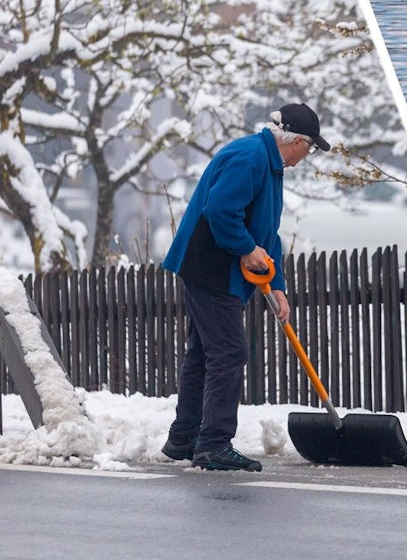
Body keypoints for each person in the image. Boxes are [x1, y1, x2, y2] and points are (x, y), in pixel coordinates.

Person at [160, 103, 330, 471]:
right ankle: (213, 444)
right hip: (211, 267)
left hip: (215, 268)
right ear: (297, 141)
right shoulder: (249, 158)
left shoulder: (268, 164)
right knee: (229, 352)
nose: (310, 154)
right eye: (312, 147)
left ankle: (183, 438)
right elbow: (221, 211)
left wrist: (278, 284)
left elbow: (267, 232)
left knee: (204, 354)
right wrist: (245, 249)